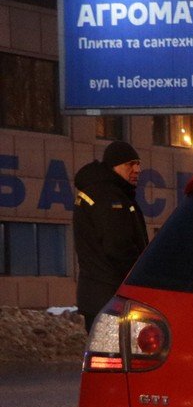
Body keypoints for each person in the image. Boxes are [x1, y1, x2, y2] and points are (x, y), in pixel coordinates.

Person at [73, 141, 147, 331]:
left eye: (138, 163)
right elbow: (118, 246)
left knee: (108, 356)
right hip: (111, 296)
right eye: (130, 164)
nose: (137, 169)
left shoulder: (103, 192)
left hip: (98, 296)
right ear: (114, 166)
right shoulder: (109, 198)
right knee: (115, 357)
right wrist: (141, 277)